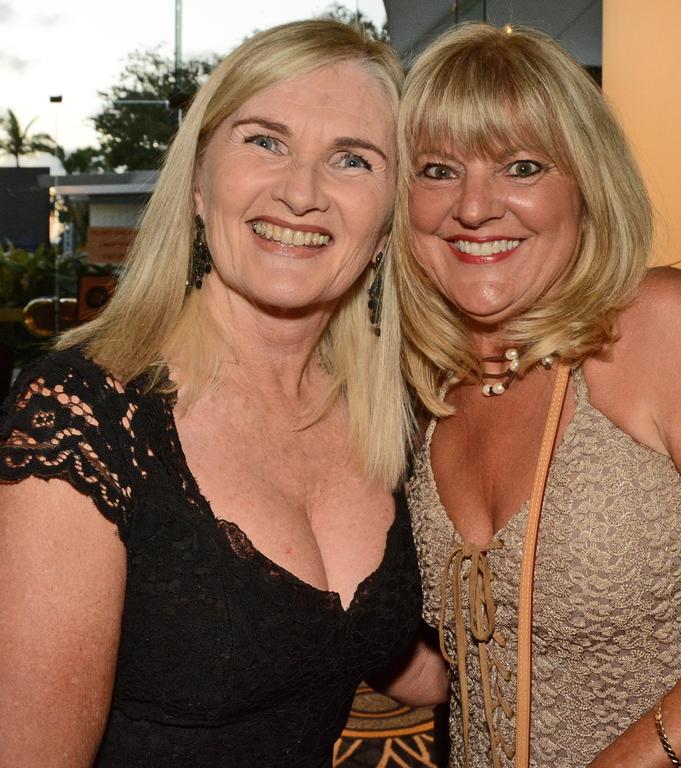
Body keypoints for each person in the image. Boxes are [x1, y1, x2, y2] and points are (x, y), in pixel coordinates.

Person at [0, 19, 422, 768]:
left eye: (352, 159)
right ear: (198, 182)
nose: (301, 192)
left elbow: (367, 650)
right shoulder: (87, 416)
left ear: (389, 223)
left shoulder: (387, 423)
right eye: (265, 141)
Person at [389, 22, 681, 768]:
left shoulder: (656, 327)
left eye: (522, 167)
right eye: (437, 170)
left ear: (587, 188)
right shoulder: (421, 393)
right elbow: (450, 673)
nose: (474, 208)